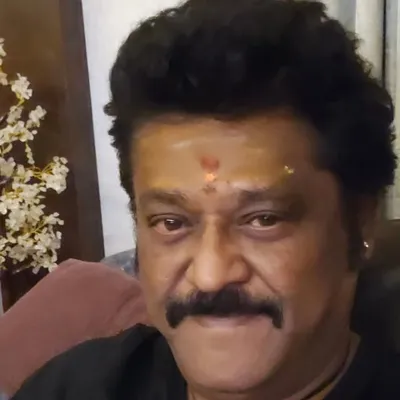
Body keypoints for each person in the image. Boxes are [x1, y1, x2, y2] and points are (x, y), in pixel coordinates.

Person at [11, 0, 400, 399]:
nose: (211, 276)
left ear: (361, 223)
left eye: (263, 219)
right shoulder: (75, 387)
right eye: (171, 223)